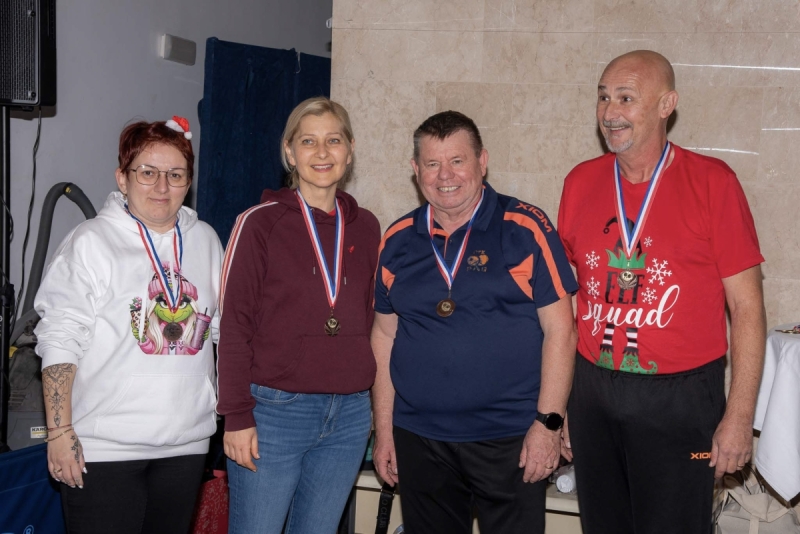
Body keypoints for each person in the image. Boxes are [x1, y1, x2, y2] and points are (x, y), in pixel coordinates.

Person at [557, 50, 766, 534]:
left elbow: (747, 307)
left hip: (682, 401)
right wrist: (562, 402)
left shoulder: (714, 183)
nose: (610, 112)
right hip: (592, 391)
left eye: (626, 98)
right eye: (604, 98)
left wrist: (739, 415)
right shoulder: (579, 182)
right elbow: (567, 302)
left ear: (666, 104)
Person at [371, 110, 578, 534]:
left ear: (482, 161)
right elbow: (384, 336)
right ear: (415, 170)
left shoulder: (525, 228)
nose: (445, 175)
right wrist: (384, 429)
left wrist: (548, 425)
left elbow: (562, 330)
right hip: (420, 438)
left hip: (510, 439)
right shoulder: (396, 240)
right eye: (432, 163)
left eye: (457, 161)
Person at [36, 116, 224, 534]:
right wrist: (59, 431)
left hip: (187, 445)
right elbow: (59, 339)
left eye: (175, 175)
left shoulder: (207, 240)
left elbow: (224, 332)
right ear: (122, 178)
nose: (162, 187)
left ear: (188, 182)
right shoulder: (91, 241)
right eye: (147, 173)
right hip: (104, 449)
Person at [217, 97, 380, 534]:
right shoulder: (258, 224)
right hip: (274, 413)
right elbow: (233, 327)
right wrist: (236, 415)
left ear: (350, 149)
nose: (322, 153)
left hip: (349, 415)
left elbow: (371, 321)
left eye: (334, 140)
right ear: (290, 152)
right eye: (308, 142)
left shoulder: (367, 227)